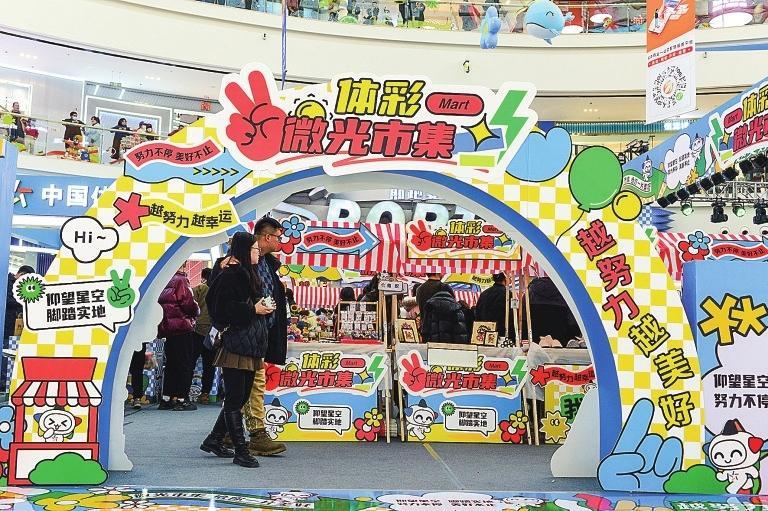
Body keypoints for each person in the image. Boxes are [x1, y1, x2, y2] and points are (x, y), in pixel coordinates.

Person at [201, 231, 274, 468]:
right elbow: (221, 309)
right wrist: (253, 310)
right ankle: (241, 450)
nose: (258, 253)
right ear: (244, 250)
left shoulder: (247, 273)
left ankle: (215, 439)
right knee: (235, 398)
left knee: (240, 397)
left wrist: (260, 308)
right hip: (236, 344)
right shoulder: (232, 275)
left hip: (249, 344)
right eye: (255, 249)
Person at [242, 217, 289, 456]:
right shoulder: (242, 264)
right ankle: (256, 433)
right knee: (252, 383)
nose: (280, 241)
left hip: (259, 332)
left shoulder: (267, 264)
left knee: (244, 385)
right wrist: (254, 311)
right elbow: (233, 300)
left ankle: (226, 432)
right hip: (247, 332)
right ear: (267, 237)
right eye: (278, 237)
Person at [157, 263, 200, 411]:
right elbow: (188, 303)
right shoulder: (181, 280)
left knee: (171, 364)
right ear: (184, 264)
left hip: (168, 328)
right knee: (185, 363)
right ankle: (182, 399)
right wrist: (196, 310)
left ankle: (166, 398)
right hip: (182, 326)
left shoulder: (164, 280)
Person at [3, 266, 34, 393]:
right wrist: (22, 301)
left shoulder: (20, 287)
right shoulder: (6, 282)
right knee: (5, 353)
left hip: (16, 328)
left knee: (11, 354)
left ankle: (7, 382)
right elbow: (7, 300)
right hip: (6, 326)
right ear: (21, 274)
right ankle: (3, 383)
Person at [191, 268, 216, 405]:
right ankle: (205, 393)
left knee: (190, 363)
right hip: (212, 331)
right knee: (209, 365)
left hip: (197, 329)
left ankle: (184, 392)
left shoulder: (199, 289)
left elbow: (191, 305)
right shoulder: (217, 289)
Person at [128, 342, 148, 409]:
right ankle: (116, 397)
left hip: (139, 341)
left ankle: (137, 398)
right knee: (119, 369)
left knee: (137, 369)